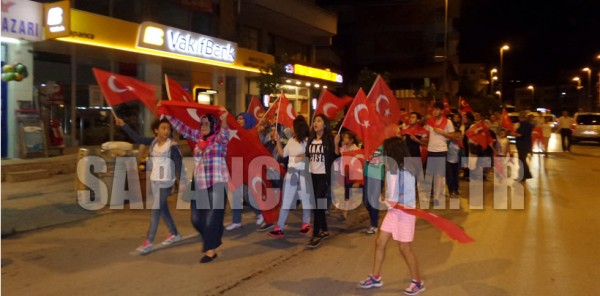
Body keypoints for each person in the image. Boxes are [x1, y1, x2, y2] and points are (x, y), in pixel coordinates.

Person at [358, 137, 425, 295]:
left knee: (405, 248)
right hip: (394, 212)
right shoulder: (391, 168)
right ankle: (375, 277)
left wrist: (387, 201)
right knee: (380, 242)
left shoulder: (407, 170)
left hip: (406, 212)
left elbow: (406, 196)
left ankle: (418, 282)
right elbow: (391, 193)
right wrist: (387, 199)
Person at [166, 108, 230, 263]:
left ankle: (211, 250)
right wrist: (167, 114)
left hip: (216, 184)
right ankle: (215, 232)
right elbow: (183, 129)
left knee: (210, 221)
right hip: (199, 183)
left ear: (214, 125)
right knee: (196, 220)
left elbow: (225, 132)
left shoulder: (219, 140)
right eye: (202, 123)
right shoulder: (198, 138)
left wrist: (225, 119)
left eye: (207, 123)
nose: (203, 126)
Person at [115, 117, 183, 254]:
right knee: (163, 210)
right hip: (155, 182)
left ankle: (148, 241)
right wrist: (124, 125)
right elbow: (137, 138)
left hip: (166, 183)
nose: (166, 131)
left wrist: (183, 182)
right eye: (163, 128)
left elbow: (179, 165)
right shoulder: (152, 142)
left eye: (168, 129)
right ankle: (175, 233)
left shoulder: (172, 146)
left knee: (156, 210)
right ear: (156, 130)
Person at [268, 116, 312, 239]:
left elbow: (312, 153)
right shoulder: (291, 140)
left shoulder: (308, 140)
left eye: (293, 126)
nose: (291, 128)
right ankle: (279, 228)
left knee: (305, 200)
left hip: (303, 174)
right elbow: (283, 153)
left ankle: (306, 224)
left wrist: (303, 155)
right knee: (286, 201)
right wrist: (277, 141)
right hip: (291, 174)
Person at [305, 114, 340, 248]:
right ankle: (324, 229)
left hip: (324, 176)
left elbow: (336, 156)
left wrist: (336, 144)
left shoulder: (330, 139)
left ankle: (316, 234)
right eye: (314, 121)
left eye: (319, 121)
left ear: (325, 124)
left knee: (318, 204)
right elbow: (308, 156)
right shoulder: (311, 139)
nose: (316, 123)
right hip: (312, 175)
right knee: (318, 204)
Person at [225, 113, 264, 230]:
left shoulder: (253, 133)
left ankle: (260, 213)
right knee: (236, 193)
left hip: (249, 166)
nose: (239, 120)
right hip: (237, 166)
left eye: (242, 118)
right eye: (237, 118)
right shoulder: (233, 133)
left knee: (248, 193)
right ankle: (236, 221)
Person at [424, 102, 455, 207]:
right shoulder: (430, 121)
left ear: (442, 111)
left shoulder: (448, 122)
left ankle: (437, 197)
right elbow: (424, 132)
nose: (435, 111)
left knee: (439, 175)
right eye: (434, 109)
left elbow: (452, 136)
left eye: (437, 109)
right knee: (431, 174)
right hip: (430, 150)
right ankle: (437, 193)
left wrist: (441, 132)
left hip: (441, 151)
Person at [257, 123, 287, 232]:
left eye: (275, 130)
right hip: (268, 174)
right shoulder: (268, 144)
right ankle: (270, 220)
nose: (273, 132)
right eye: (272, 130)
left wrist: (282, 164)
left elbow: (286, 159)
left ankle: (280, 221)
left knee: (276, 198)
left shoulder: (284, 145)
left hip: (279, 175)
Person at [335, 130, 360, 220]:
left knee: (347, 192)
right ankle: (345, 206)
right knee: (343, 190)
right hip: (343, 172)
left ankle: (345, 211)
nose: (344, 139)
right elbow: (337, 153)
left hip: (351, 174)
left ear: (351, 140)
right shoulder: (343, 147)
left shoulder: (356, 149)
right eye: (344, 137)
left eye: (346, 137)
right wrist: (336, 144)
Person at [514, 111, 533, 181]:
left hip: (523, 144)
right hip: (525, 144)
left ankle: (524, 175)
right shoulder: (527, 124)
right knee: (522, 160)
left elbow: (520, 134)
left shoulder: (524, 124)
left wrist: (512, 133)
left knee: (521, 161)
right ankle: (525, 175)